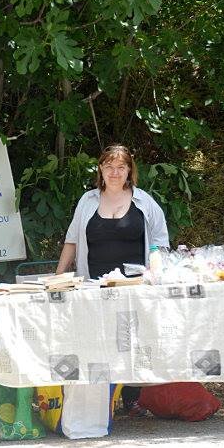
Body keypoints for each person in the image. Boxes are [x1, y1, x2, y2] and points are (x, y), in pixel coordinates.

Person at [55, 144, 169, 414]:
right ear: (101, 170)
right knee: (97, 342)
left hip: (134, 287)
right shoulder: (87, 201)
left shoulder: (144, 202)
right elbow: (71, 241)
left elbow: (159, 244)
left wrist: (155, 275)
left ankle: (131, 399)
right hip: (93, 286)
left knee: (134, 343)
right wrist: (58, 278)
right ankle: (100, 402)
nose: (114, 172)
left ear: (129, 171)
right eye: (109, 167)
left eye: (121, 167)